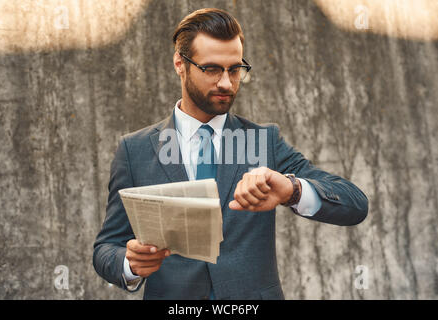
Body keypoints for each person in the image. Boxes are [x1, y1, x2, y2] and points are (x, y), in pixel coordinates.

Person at [93, 8, 368, 300]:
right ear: (179, 64)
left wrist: (292, 189)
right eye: (211, 69)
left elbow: (354, 203)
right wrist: (130, 264)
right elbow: (106, 248)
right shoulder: (134, 150)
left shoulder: (264, 141)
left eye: (235, 69)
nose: (226, 83)